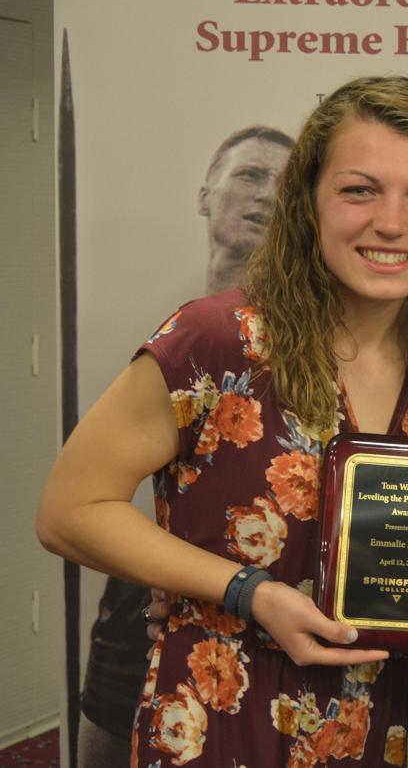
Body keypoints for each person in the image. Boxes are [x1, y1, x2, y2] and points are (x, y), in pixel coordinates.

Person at [38, 75, 408, 766]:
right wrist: (247, 590)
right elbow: (69, 509)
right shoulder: (217, 341)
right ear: (308, 200)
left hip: (388, 733)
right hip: (225, 726)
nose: (392, 223)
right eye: (359, 190)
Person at [79, 123, 295, 768]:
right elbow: (81, 504)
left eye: (285, 183)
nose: (266, 195)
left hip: (280, 603)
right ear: (207, 193)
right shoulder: (171, 329)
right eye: (250, 176)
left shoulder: (337, 335)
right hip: (144, 590)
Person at [199, 125, 294, 293]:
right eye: (250, 175)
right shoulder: (185, 317)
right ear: (204, 199)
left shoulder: (320, 317)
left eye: (285, 186)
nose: (270, 195)